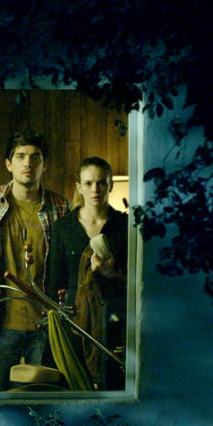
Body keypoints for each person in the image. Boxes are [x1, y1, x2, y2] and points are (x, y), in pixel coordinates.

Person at [0, 129, 70, 391]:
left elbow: (68, 267)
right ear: (8, 164)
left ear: (44, 164)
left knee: (44, 401)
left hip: (46, 324)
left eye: (35, 157)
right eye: (20, 156)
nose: (28, 163)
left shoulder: (60, 207)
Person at [47, 157, 127, 389]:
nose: (95, 189)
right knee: (72, 386)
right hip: (73, 319)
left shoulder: (124, 225)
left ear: (111, 185)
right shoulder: (64, 227)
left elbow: (137, 280)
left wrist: (112, 273)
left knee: (113, 384)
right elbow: (55, 281)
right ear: (79, 187)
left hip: (114, 319)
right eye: (89, 183)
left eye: (101, 183)